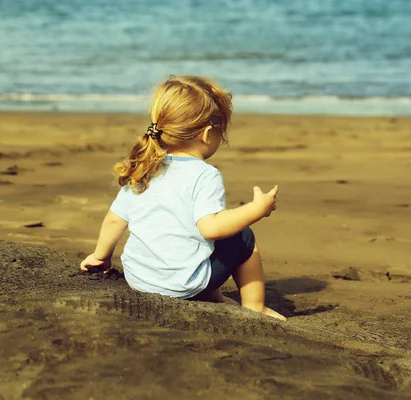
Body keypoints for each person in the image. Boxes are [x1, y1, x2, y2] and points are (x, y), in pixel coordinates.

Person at [80, 75, 286, 321]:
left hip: (139, 279)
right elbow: (211, 229)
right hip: (183, 286)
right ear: (208, 134)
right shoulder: (205, 175)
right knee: (242, 237)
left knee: (181, 229)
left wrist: (100, 257)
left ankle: (212, 294)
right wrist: (256, 210)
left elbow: (115, 220)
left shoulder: (145, 166)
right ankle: (256, 308)